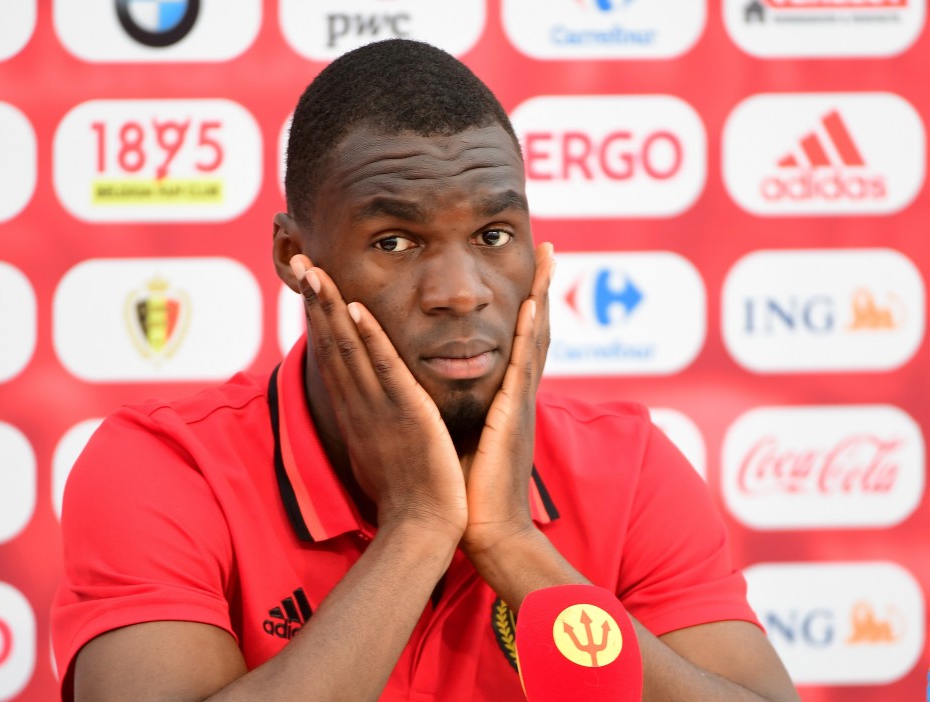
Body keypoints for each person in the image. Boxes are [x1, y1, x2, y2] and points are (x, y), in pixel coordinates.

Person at [52, 39, 800, 702]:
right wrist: (418, 528)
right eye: (395, 242)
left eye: (494, 233)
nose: (461, 292)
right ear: (294, 258)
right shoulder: (165, 466)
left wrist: (513, 545)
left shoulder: (630, 466)